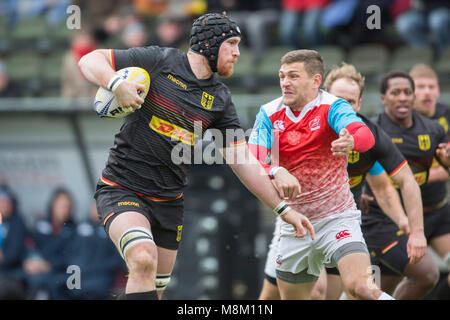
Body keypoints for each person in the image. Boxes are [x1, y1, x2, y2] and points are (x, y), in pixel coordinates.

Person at [78, 12, 314, 300]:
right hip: (122, 188)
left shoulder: (220, 99)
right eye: (233, 43)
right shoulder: (159, 61)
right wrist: (116, 84)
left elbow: (243, 162)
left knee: (155, 287)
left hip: (169, 203)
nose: (238, 53)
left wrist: (284, 210)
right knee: (142, 258)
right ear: (210, 44)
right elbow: (89, 60)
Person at [256, 62, 426, 300]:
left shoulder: (370, 136)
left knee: (347, 291)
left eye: (350, 102)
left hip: (338, 221)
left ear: (358, 105)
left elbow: (388, 187)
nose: (342, 106)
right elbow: (255, 164)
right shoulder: (288, 125)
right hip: (294, 219)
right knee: (275, 297)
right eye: (338, 99)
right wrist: (275, 171)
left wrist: (412, 229)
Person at [362, 70, 450, 299]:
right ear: (383, 98)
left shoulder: (433, 130)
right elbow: (356, 169)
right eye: (395, 92)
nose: (402, 97)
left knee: (421, 277)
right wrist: (357, 192)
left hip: (430, 214)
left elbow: (446, 166)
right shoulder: (372, 131)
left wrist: (447, 165)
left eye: (407, 92)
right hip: (384, 219)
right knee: (374, 288)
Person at [409, 63, 450, 299]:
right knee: (420, 277)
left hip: (438, 212)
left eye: (430, 87)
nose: (426, 92)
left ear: (437, 91)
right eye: (420, 87)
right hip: (403, 220)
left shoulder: (446, 116)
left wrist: (415, 177)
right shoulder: (399, 122)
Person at [23, 188, 78, 300]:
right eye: (61, 205)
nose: (64, 209)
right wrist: (30, 259)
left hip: (60, 271)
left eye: (67, 206)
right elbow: (30, 244)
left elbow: (71, 257)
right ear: (53, 205)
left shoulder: (74, 229)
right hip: (37, 267)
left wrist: (50, 265)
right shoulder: (41, 224)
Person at [67, 201, 126, 300]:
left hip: (101, 279)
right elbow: (70, 253)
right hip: (79, 277)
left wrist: (100, 267)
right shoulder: (79, 228)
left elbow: (117, 258)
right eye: (94, 206)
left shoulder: (111, 230)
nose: (97, 209)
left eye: (100, 206)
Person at [0, 185, 28, 299]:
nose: (4, 205)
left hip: (11, 273)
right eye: (1, 201)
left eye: (7, 202)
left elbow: (15, 252)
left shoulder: (17, 223)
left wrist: (4, 257)